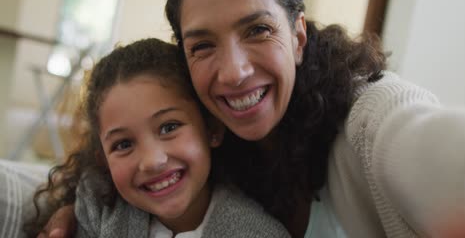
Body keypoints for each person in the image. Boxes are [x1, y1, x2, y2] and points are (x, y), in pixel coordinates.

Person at [39, 0, 465, 237]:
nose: (233, 72)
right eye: (203, 45)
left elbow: (419, 141)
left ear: (298, 35)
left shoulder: (368, 115)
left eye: (258, 29)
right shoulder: (208, 152)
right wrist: (78, 212)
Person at [25, 38, 291, 238]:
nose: (152, 161)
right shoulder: (97, 207)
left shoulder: (261, 233)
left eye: (169, 127)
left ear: (212, 129)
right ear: (104, 160)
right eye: (123, 144)